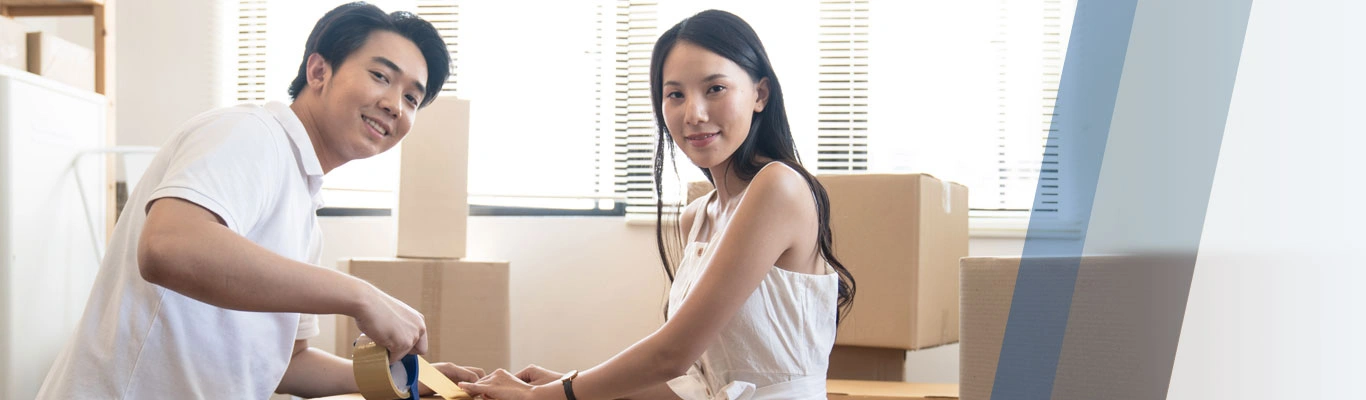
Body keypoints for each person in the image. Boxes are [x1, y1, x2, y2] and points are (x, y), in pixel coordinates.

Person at [37, 2, 483, 398]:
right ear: (318, 72)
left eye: (411, 97)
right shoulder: (251, 134)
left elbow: (288, 363)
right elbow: (168, 247)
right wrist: (360, 296)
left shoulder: (304, 205)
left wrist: (400, 380)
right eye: (380, 76)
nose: (394, 105)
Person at [458, 9, 856, 400]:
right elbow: (696, 383)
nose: (694, 113)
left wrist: (551, 395)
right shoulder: (697, 217)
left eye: (715, 89)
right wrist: (564, 382)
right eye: (675, 95)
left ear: (760, 94)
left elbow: (672, 354)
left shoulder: (778, 186)